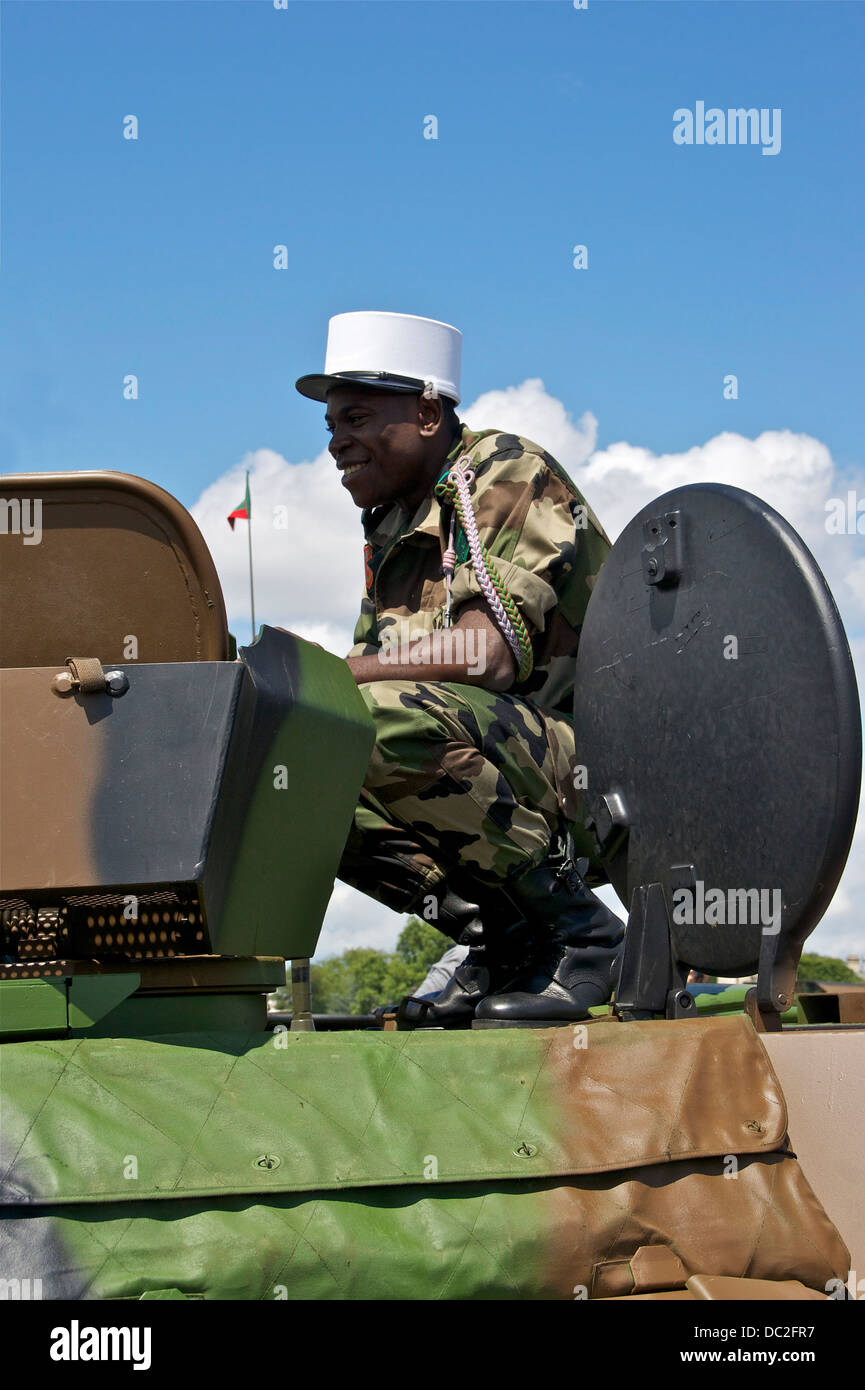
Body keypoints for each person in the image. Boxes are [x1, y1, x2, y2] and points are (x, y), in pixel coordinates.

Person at [296, 311, 623, 1026]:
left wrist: (330, 672)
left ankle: (581, 934)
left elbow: (485, 654)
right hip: (511, 770)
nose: (335, 442)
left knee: (382, 718)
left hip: (607, 775)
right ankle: (498, 937)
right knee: (296, 757)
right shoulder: (391, 523)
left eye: (355, 416)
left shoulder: (502, 470)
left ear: (424, 411)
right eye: (328, 426)